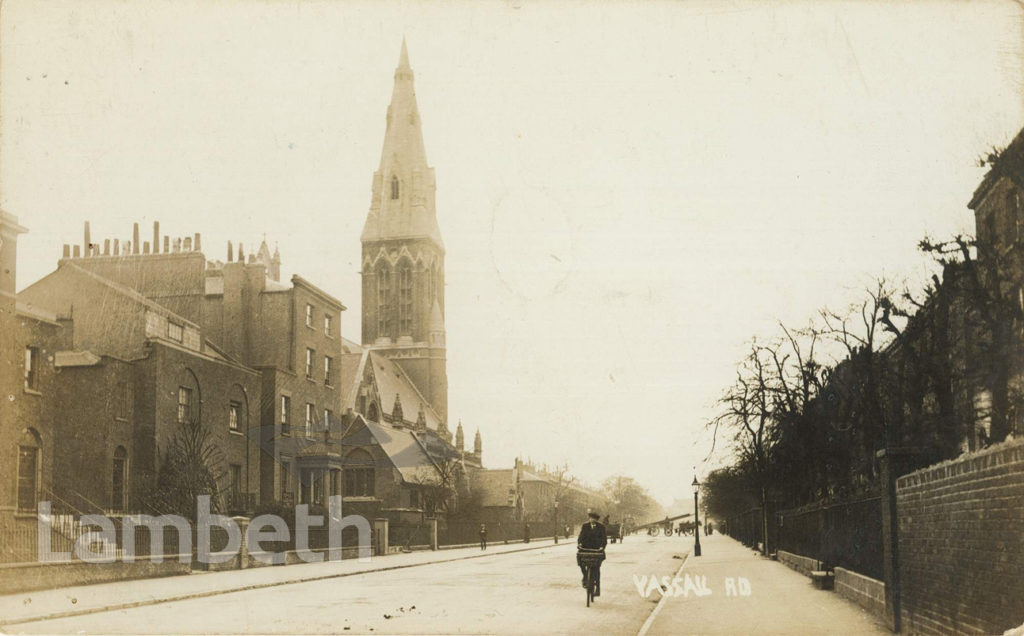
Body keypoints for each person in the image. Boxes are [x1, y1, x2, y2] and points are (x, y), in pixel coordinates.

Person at [577, 512, 607, 596]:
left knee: (597, 569)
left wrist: (602, 547)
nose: (591, 519)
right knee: (580, 560)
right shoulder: (585, 526)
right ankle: (585, 577)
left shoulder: (601, 527)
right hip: (586, 549)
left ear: (596, 520)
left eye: (593, 518)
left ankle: (597, 588)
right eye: (590, 518)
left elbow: (604, 539)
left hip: (597, 550)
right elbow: (581, 536)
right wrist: (579, 543)